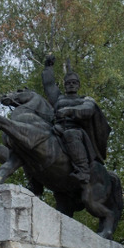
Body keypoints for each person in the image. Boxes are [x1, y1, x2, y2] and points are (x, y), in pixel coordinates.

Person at [41, 54, 111, 185]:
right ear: (65, 85)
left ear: (78, 85)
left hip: (76, 130)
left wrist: (69, 111)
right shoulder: (58, 98)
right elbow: (49, 85)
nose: (71, 85)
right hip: (57, 129)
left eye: (74, 83)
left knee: (71, 134)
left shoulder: (85, 99)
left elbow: (87, 110)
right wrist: (48, 67)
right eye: (68, 83)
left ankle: (83, 170)